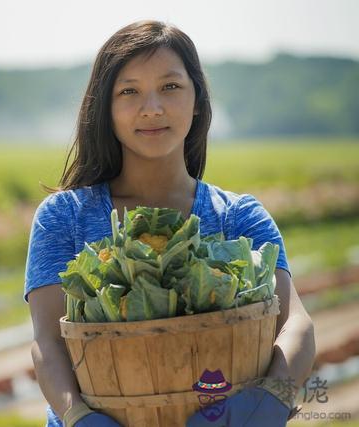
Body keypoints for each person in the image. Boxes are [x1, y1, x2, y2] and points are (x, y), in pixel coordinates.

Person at [24, 20, 315, 427]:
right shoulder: (64, 217)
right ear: (105, 108)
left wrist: (273, 399)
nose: (152, 108)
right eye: (129, 91)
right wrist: (77, 416)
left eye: (170, 86)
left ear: (197, 99)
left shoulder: (239, 217)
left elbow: (296, 324)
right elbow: (48, 342)